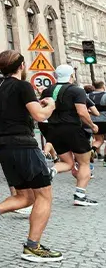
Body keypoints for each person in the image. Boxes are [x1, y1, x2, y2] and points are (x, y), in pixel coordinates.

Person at [0, 50, 61, 262]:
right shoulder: (23, 86)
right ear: (21, 66)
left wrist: (4, 118)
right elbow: (39, 115)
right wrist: (51, 105)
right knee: (44, 195)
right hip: (24, 145)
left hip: (3, 147)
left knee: (25, 196)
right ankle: (33, 247)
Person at [41, 64, 98, 206]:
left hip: (54, 129)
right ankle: (80, 196)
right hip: (72, 129)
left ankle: (50, 170)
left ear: (55, 76)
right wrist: (92, 126)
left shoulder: (48, 90)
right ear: (72, 75)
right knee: (84, 163)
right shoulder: (77, 90)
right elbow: (82, 112)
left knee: (68, 163)